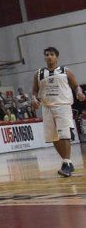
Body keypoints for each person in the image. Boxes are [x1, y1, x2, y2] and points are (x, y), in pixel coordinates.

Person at [32, 47, 85, 177]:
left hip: (63, 105)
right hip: (47, 107)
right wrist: (34, 100)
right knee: (53, 137)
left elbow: (76, 86)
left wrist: (79, 92)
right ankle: (67, 162)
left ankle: (66, 163)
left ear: (57, 57)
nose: (49, 56)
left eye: (51, 54)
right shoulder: (38, 73)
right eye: (46, 55)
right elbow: (34, 91)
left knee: (64, 134)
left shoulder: (65, 71)